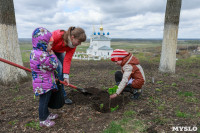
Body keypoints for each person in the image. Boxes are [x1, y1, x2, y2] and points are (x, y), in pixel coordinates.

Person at [47, 26, 86, 104]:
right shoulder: (58, 35)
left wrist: (66, 77)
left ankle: (61, 92)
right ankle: (60, 95)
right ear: (72, 37)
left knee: (62, 69)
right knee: (59, 67)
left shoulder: (73, 46)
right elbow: (46, 43)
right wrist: (51, 54)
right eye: (79, 41)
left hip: (58, 51)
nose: (79, 44)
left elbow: (67, 60)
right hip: (48, 49)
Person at [30, 27, 59, 127]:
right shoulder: (42, 55)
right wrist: (53, 55)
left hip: (41, 82)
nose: (51, 47)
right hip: (44, 83)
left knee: (45, 100)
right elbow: (54, 65)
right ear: (43, 44)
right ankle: (43, 119)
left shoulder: (35, 52)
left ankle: (46, 114)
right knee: (44, 101)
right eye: (50, 45)